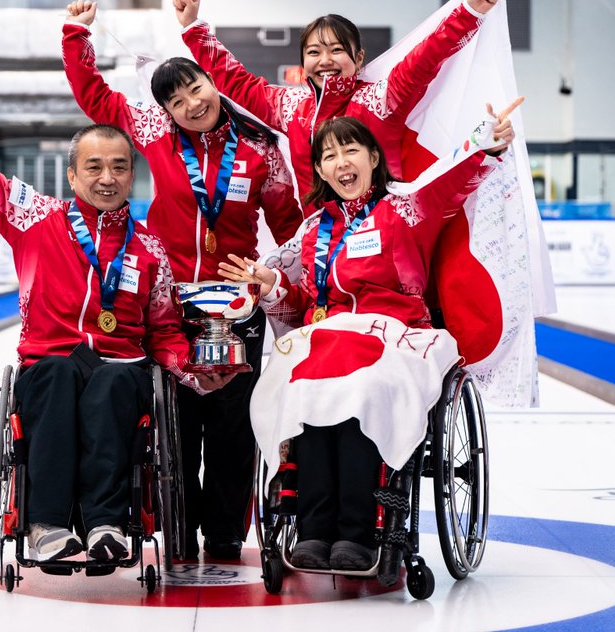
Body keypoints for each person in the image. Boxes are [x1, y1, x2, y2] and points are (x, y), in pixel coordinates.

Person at [0, 40, 195, 564]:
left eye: (121, 167)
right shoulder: (35, 217)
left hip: (120, 364)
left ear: (133, 174)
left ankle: (106, 523)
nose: (108, 178)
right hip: (49, 361)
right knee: (57, 378)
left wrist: (192, 368)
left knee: (113, 381)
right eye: (95, 167)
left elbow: (165, 327)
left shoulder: (150, 249)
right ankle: (48, 524)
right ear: (72, 175)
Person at [217, 100, 520, 572]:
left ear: (372, 158)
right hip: (331, 336)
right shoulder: (315, 229)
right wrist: (271, 284)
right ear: (319, 168)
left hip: (395, 334)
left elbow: (452, 181)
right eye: (329, 155)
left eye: (350, 150)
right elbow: (299, 306)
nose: (342, 162)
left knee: (362, 388)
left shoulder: (407, 206)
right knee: (302, 387)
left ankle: (357, 531)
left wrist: (487, 140)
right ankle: (316, 529)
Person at [62, 0, 304, 560]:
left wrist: (282, 277)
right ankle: (176, 525)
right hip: (168, 302)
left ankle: (223, 533)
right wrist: (78, 35)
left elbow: (290, 224)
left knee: (232, 424)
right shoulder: (152, 133)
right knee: (176, 420)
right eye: (176, 100)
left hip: (237, 306)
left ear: (210, 82)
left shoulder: (259, 150)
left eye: (195, 89)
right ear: (165, 110)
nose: (191, 104)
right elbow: (94, 98)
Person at [173, 0, 500, 203]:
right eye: (314, 52)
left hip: (385, 238)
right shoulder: (290, 106)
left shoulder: (380, 99)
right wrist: (193, 29)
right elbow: (235, 81)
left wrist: (468, 12)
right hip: (319, 248)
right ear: (303, 62)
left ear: (358, 58)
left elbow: (425, 59)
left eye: (337, 50)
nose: (325, 60)